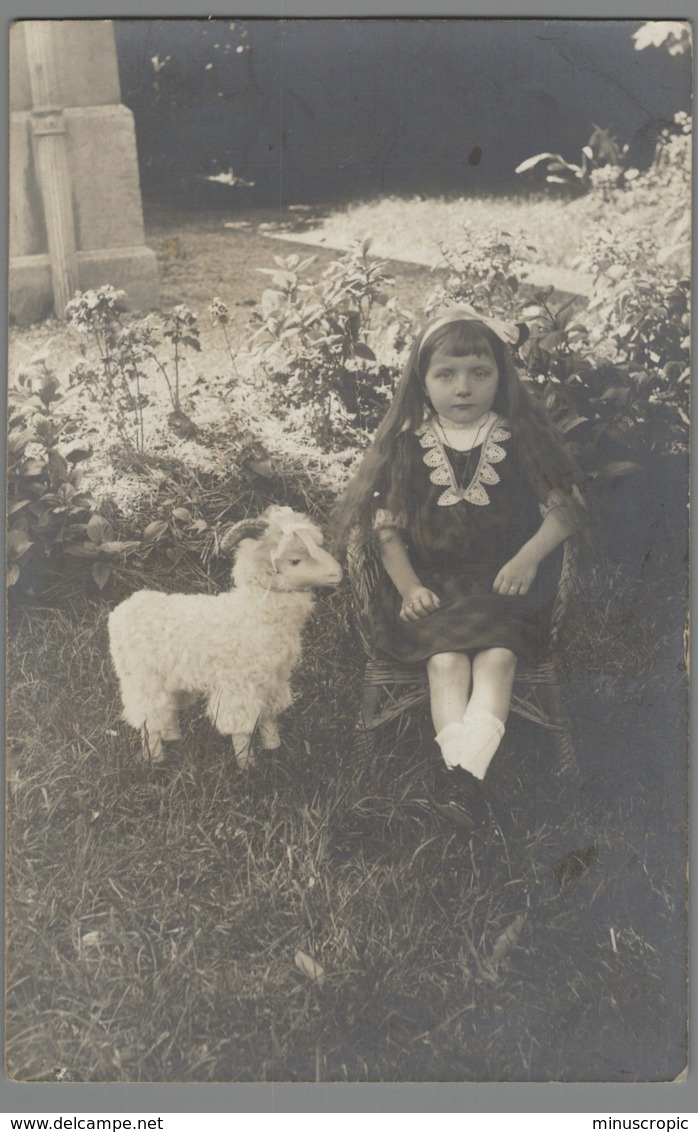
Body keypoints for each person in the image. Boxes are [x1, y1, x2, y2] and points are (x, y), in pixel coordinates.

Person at [334, 308, 587, 831]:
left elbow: (567, 512)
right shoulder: (408, 447)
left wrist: (527, 557)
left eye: (479, 373)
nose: (464, 388)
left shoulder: (520, 440)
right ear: (422, 382)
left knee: (497, 659)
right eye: (446, 375)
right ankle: (466, 786)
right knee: (445, 662)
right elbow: (387, 531)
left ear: (500, 377)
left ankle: (459, 787)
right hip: (433, 588)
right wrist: (408, 588)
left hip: (506, 585)